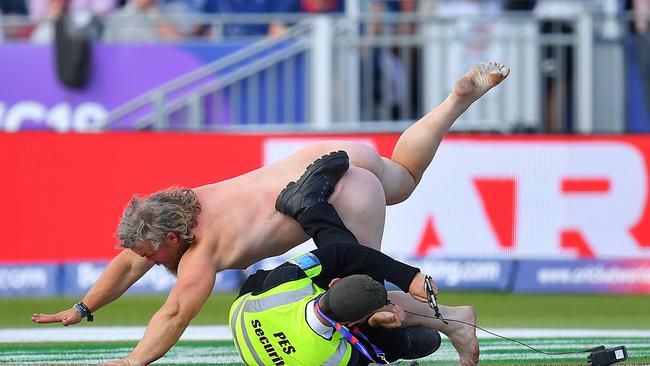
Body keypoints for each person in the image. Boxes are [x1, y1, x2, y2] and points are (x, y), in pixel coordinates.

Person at [31, 61, 510, 366]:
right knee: (403, 178)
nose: (148, 262)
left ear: (173, 241)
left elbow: (175, 312)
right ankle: (454, 102)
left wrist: (135, 361)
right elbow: (130, 259)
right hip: (332, 156)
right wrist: (83, 308)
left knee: (352, 293)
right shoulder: (177, 208)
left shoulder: (201, 253)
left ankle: (452, 321)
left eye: (154, 256)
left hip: (339, 195)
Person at [231, 156, 442, 365]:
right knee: (400, 345)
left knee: (354, 260)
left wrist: (408, 278)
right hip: (241, 320)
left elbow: (342, 253)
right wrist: (375, 325)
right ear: (351, 324)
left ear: (334, 283)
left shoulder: (287, 284)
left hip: (248, 308)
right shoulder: (336, 357)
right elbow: (381, 353)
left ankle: (308, 205)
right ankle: (307, 205)